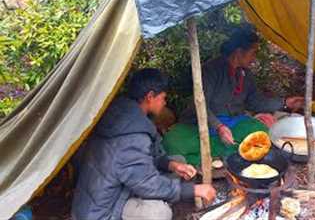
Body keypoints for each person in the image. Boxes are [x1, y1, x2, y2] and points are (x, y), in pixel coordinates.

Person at [72, 68, 216, 220]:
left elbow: (145, 157)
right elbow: (147, 183)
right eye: (163, 98)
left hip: (111, 189)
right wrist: (194, 190)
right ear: (150, 97)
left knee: (178, 161)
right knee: (159, 213)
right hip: (101, 211)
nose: (164, 103)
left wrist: (172, 165)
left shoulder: (122, 112)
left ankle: (163, 197)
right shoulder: (131, 136)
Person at [163, 28, 303, 164]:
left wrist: (285, 102)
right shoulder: (211, 70)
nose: (254, 58)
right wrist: (219, 127)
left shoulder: (246, 75)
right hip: (200, 125)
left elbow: (256, 102)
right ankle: (225, 155)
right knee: (172, 142)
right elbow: (199, 104)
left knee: (262, 132)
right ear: (239, 52)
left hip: (232, 123)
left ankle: (218, 155)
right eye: (253, 53)